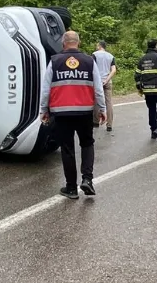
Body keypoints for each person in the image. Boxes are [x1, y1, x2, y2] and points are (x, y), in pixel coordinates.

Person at [39, 31, 106, 200]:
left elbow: (46, 89)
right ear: (79, 42)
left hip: (61, 113)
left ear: (63, 43)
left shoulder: (54, 61)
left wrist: (43, 110)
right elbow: (98, 88)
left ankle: (71, 188)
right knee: (87, 144)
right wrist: (102, 109)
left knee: (67, 149)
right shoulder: (89, 61)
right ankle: (87, 180)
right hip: (84, 111)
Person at [92, 41, 117, 132]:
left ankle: (95, 121)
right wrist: (107, 79)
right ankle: (109, 124)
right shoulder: (110, 56)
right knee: (109, 102)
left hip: (97, 81)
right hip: (107, 81)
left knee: (96, 100)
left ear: (99, 46)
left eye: (96, 45)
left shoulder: (94, 55)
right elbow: (113, 70)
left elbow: (92, 68)